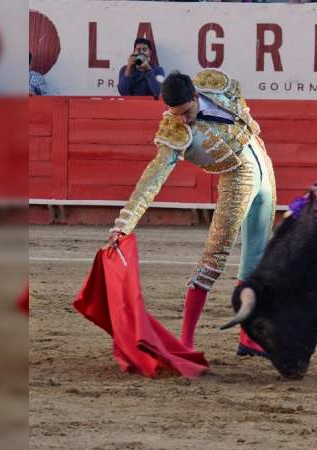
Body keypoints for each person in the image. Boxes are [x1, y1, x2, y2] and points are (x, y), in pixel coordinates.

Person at [106, 69, 276, 357]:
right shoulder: (174, 130)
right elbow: (152, 179)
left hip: (264, 170)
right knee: (214, 258)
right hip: (237, 180)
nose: (183, 120)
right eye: (176, 114)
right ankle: (186, 343)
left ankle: (248, 338)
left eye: (186, 112)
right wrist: (123, 224)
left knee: (257, 259)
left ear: (196, 95)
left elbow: (241, 106)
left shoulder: (216, 85)